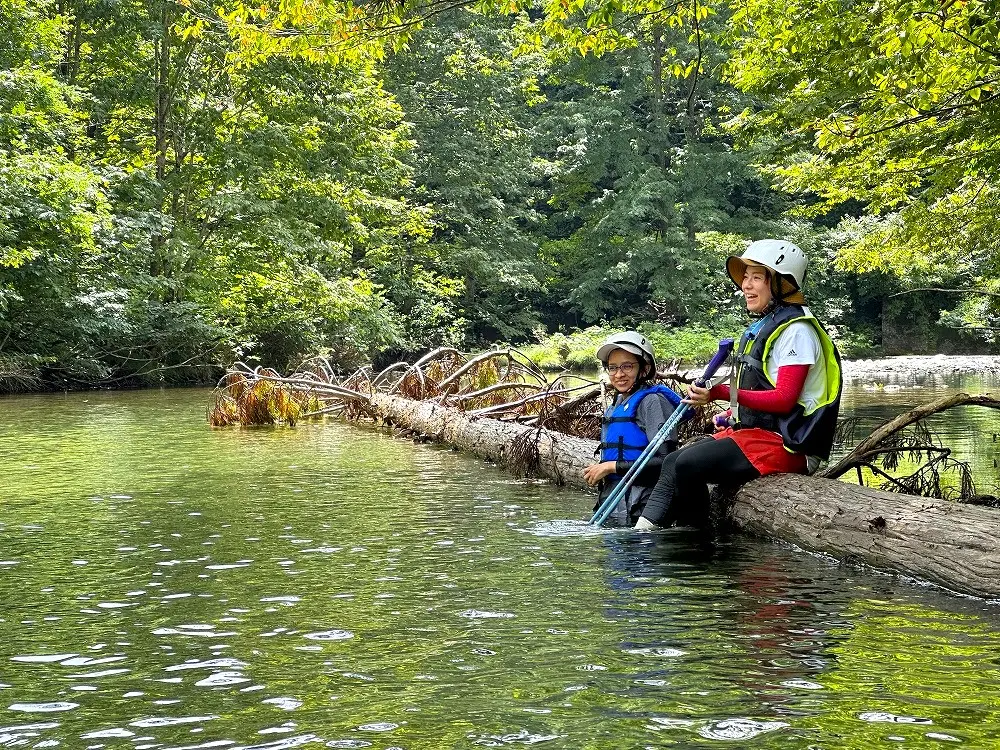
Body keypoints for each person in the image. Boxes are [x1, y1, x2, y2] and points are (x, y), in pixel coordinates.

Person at [635, 239, 842, 530]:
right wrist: (732, 415)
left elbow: (784, 399)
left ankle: (684, 547)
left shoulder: (798, 331)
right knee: (673, 462)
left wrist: (720, 393)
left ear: (782, 284)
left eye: (757, 277)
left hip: (792, 447)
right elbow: (762, 396)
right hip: (762, 435)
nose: (746, 285)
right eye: (745, 276)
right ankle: (649, 537)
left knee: (687, 464)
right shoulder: (769, 324)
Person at [583, 331, 682, 526]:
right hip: (614, 503)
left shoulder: (652, 402)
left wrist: (610, 467)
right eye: (612, 368)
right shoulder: (617, 403)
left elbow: (666, 463)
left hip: (644, 508)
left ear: (644, 369)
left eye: (627, 366)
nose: (619, 374)